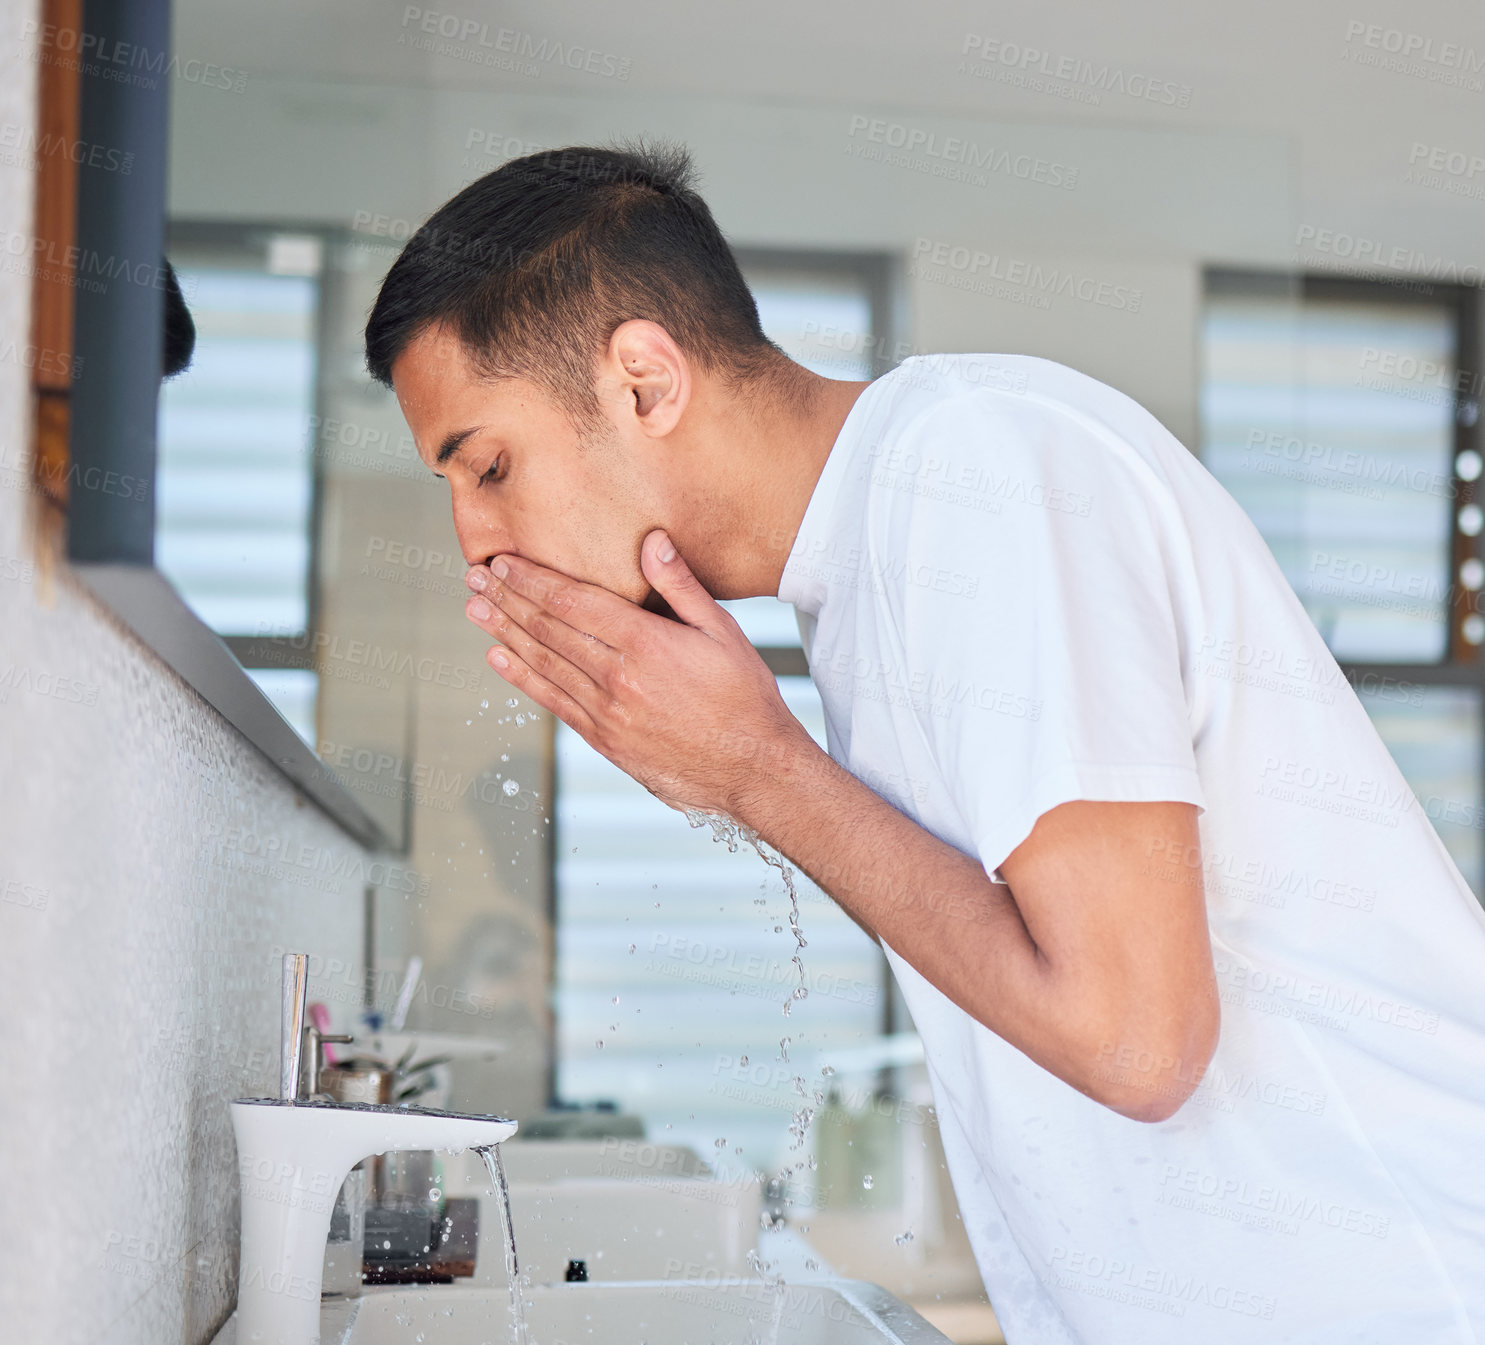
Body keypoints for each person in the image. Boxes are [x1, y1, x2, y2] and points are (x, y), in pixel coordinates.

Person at [364, 143, 1485, 1343]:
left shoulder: (977, 477)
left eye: (488, 466)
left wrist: (760, 771)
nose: (473, 540)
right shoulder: (866, 568)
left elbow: (1137, 1039)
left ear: (644, 381)